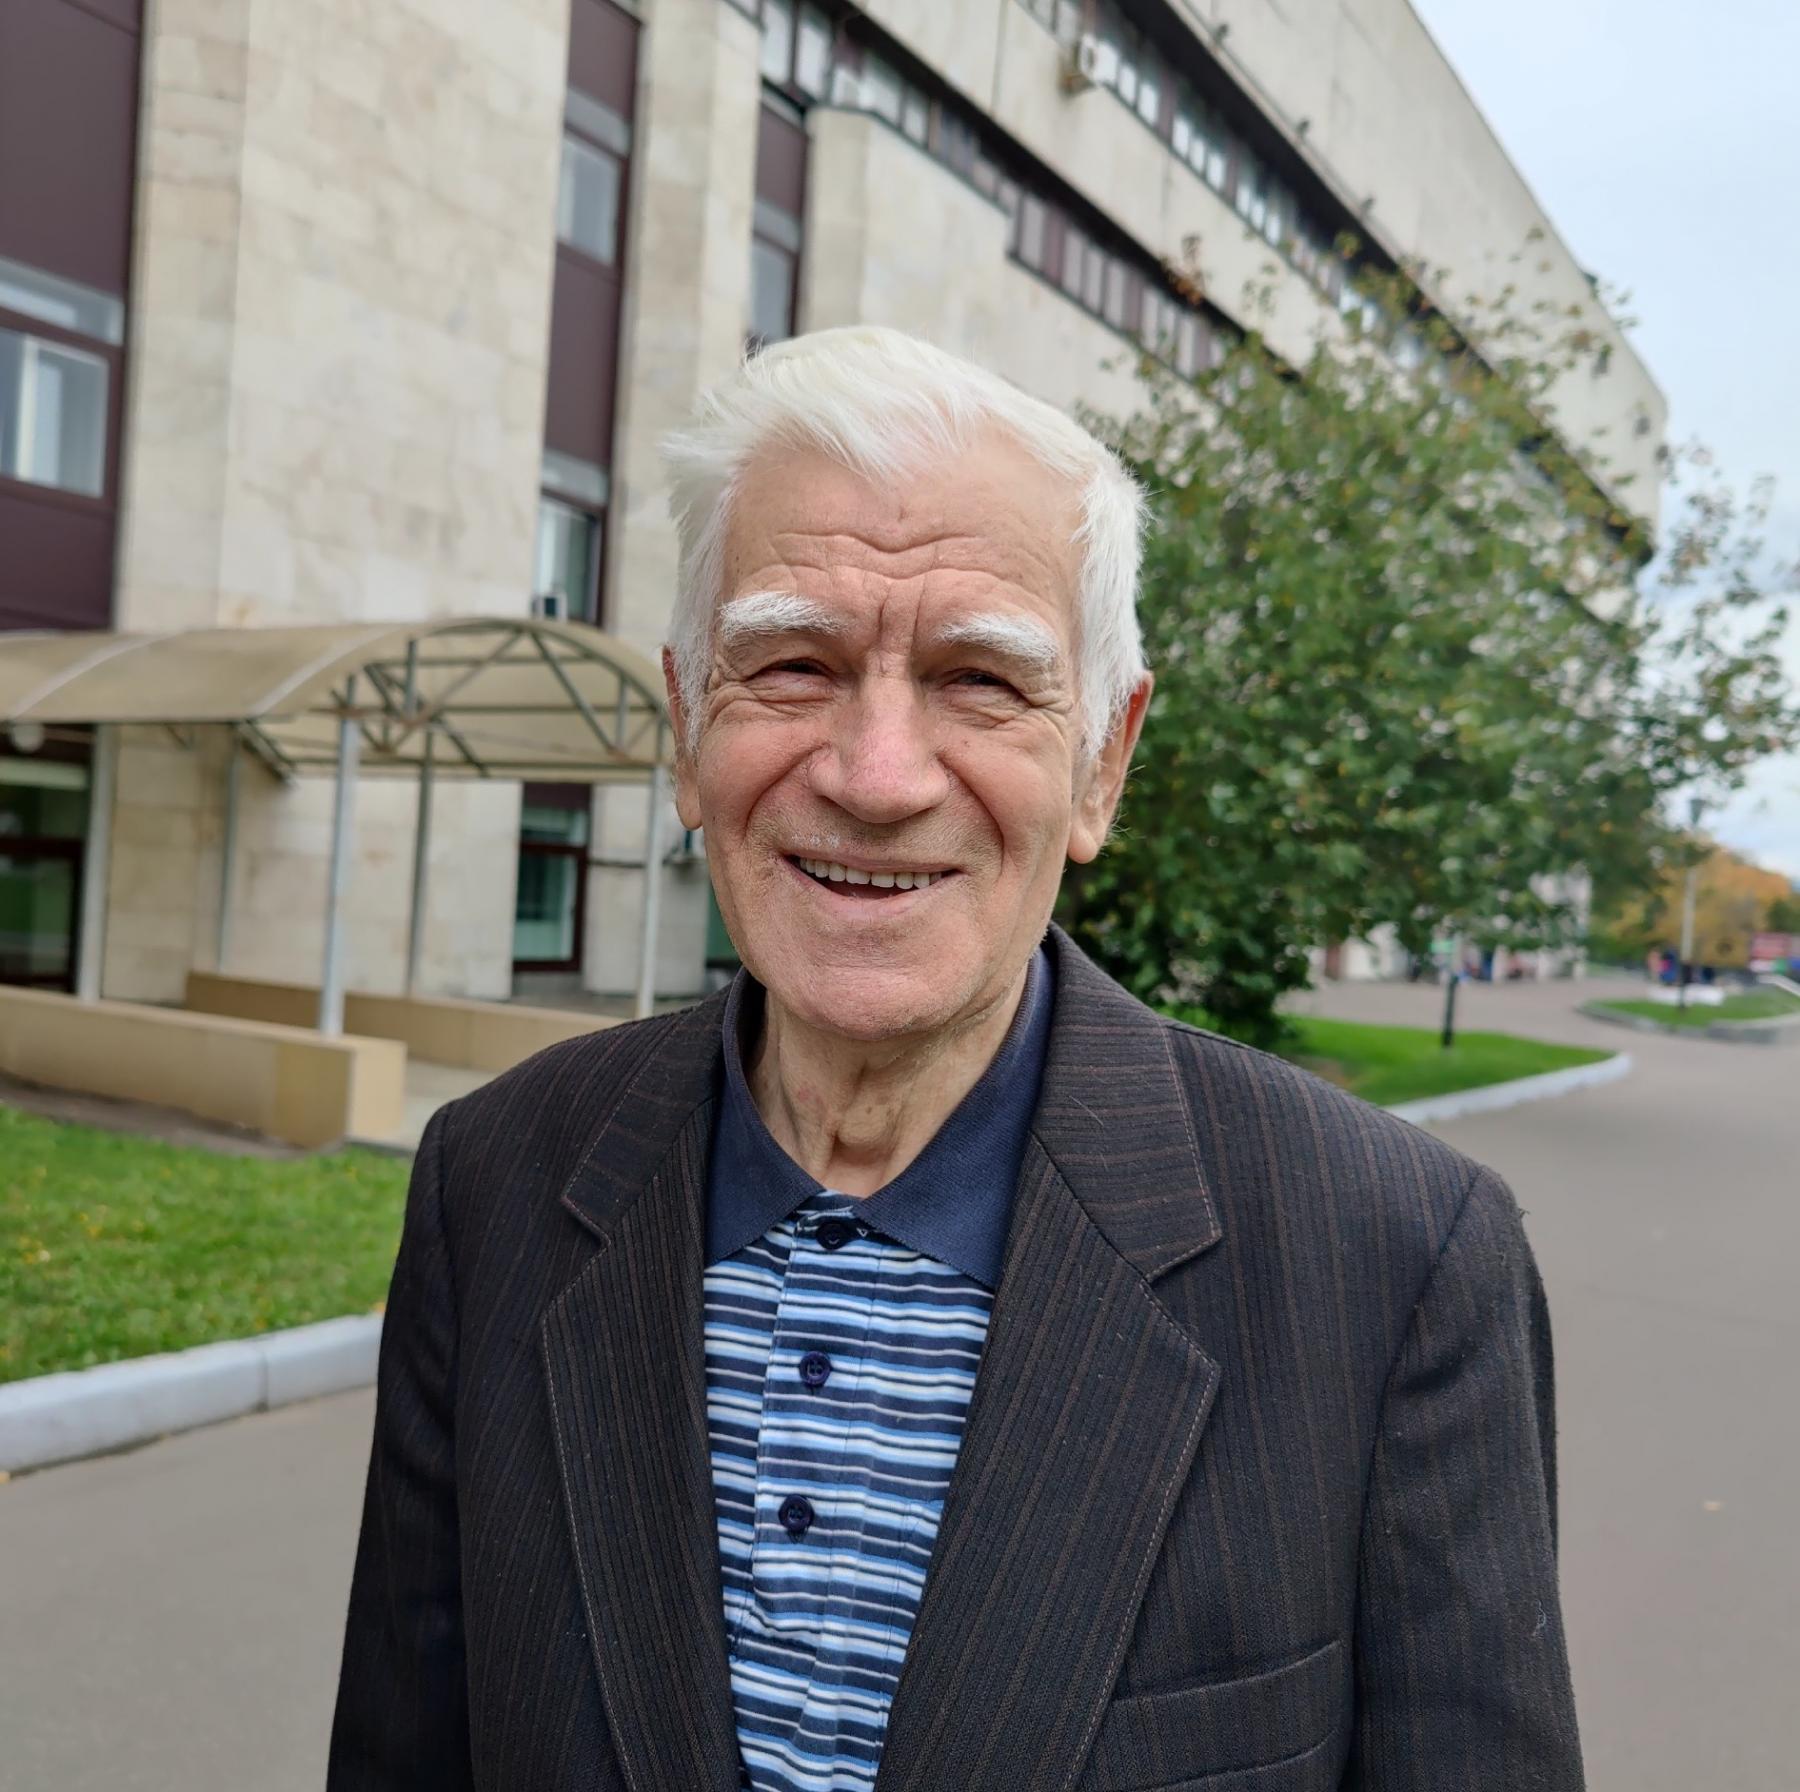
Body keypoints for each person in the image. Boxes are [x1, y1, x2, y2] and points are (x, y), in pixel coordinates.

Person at [329, 327, 1582, 1791]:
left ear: (1102, 761)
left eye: (980, 680)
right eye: (792, 664)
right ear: (686, 725)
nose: (876, 777)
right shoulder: (494, 1181)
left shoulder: (1396, 1261)